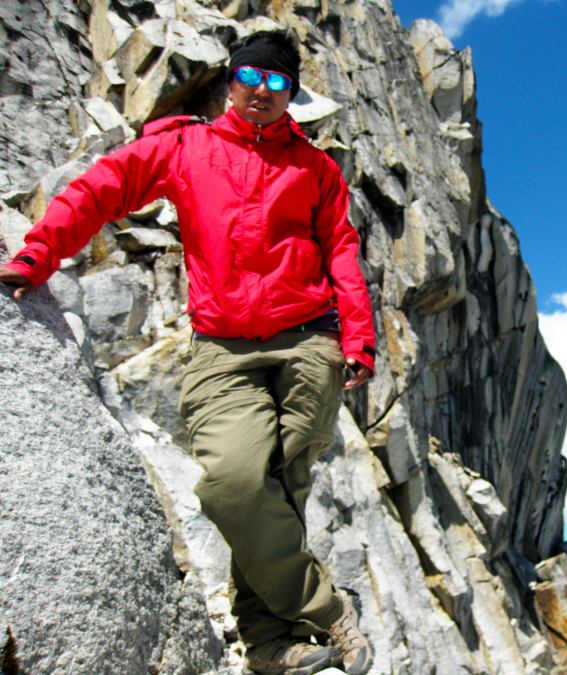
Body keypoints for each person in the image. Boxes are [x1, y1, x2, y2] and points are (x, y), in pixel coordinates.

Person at [0, 30, 375, 675]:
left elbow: (341, 249)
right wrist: (37, 254)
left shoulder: (316, 170)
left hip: (308, 342)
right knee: (233, 483)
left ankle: (265, 644)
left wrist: (358, 339)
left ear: (292, 95)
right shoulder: (184, 145)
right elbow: (98, 191)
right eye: (250, 79)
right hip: (220, 346)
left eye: (277, 84)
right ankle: (326, 611)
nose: (261, 94)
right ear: (230, 81)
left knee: (282, 490)